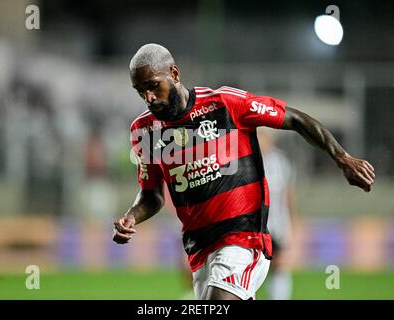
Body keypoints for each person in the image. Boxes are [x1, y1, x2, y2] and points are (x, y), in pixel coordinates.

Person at [113, 43, 375, 300]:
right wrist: (132, 217)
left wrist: (342, 157)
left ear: (174, 74)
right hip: (200, 248)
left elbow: (294, 118)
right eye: (140, 91)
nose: (148, 97)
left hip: (244, 239)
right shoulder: (144, 130)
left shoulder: (224, 104)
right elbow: (152, 196)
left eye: (153, 86)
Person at [258, 128, 296, 300]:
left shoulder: (281, 162)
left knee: (279, 265)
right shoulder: (246, 160)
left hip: (277, 225)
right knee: (252, 268)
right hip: (253, 226)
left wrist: (292, 222)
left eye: (263, 137)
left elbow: (288, 195)